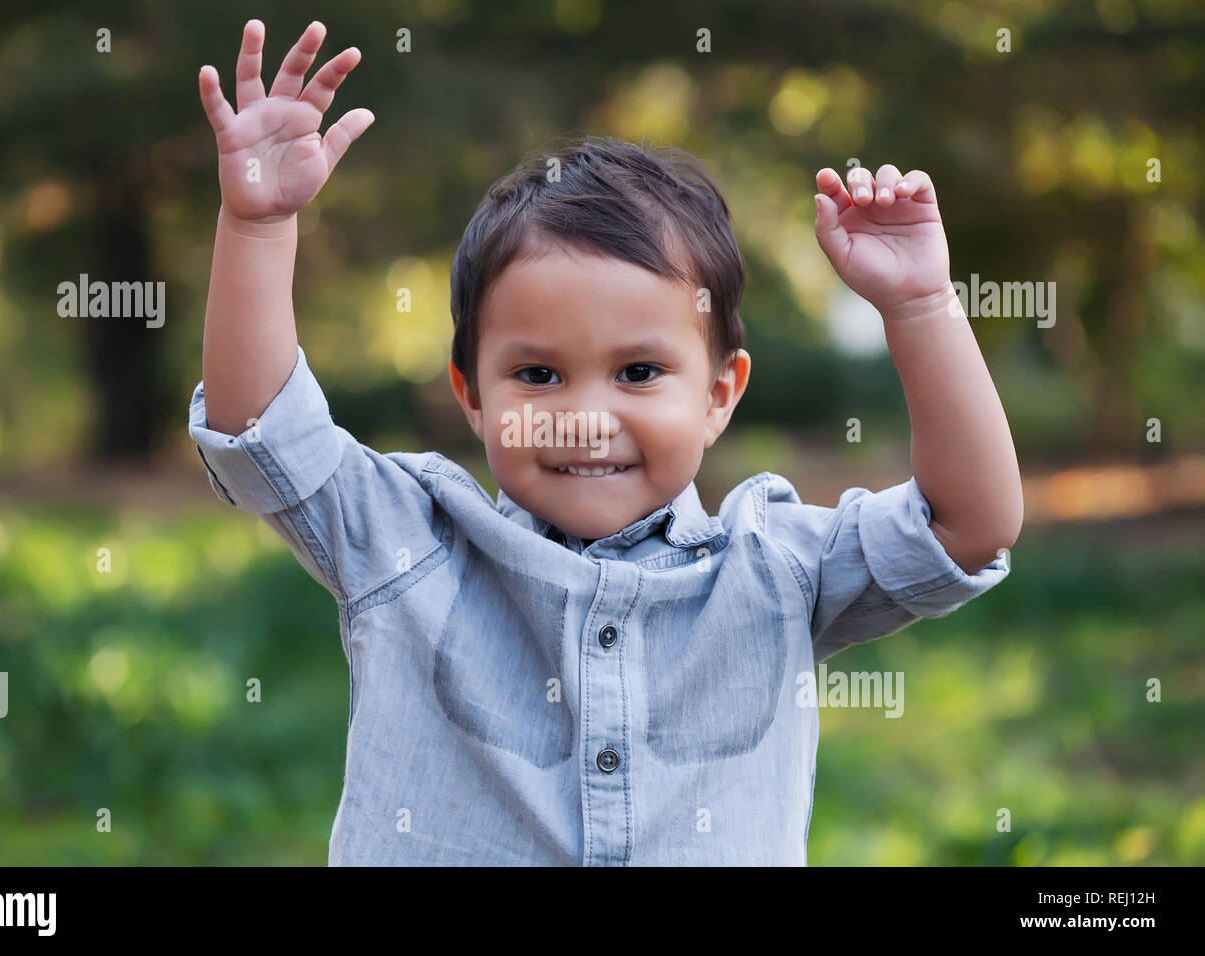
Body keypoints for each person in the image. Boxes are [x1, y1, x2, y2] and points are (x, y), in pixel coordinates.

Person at [189, 19, 1022, 865]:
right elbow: (261, 429)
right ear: (471, 395)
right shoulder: (411, 543)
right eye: (540, 376)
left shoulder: (775, 567)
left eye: (638, 372)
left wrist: (920, 307)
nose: (586, 416)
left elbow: (966, 527)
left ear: (718, 394)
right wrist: (257, 228)